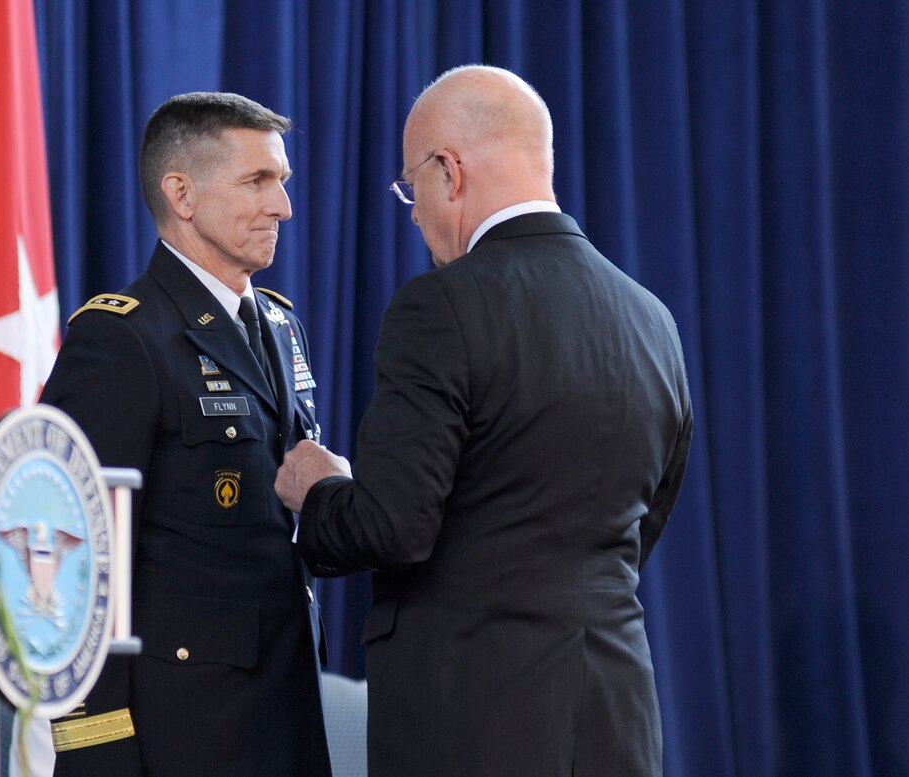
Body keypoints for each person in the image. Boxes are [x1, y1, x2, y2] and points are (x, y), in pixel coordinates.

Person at [275, 65, 693, 777]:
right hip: (616, 719)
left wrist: (319, 490)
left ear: (450, 169)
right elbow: (640, 520)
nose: (412, 213)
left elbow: (393, 526)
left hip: (474, 720)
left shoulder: (441, 306)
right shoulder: (650, 318)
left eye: (412, 187)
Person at [40, 92, 332, 777]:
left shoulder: (283, 327)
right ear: (182, 193)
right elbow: (73, 554)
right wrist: (97, 747)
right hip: (178, 735)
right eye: (257, 181)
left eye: (282, 181)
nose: (283, 206)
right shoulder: (122, 338)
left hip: (284, 715)